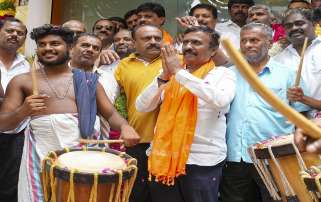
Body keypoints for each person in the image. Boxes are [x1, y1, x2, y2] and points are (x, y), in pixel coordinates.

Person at [0, 24, 139, 202]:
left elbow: (110, 114)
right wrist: (23, 112)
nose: (47, 48)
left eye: (54, 43)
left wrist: (125, 127)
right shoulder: (23, 81)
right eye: (42, 44)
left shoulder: (88, 81)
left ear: (70, 48)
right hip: (39, 163)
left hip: (84, 161)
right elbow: (3, 123)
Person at [136, 25, 236, 202]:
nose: (188, 46)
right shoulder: (171, 74)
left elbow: (220, 99)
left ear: (213, 50)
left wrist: (179, 73)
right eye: (186, 42)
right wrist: (163, 78)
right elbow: (142, 106)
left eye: (196, 42)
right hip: (164, 159)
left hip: (202, 161)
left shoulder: (223, 74)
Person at [220, 22, 309, 202]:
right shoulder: (228, 74)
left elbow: (302, 116)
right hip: (236, 156)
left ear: (269, 43)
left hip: (275, 157)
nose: (247, 45)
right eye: (244, 41)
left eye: (254, 40)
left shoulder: (288, 75)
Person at [114, 24, 163, 202]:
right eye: (147, 38)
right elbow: (111, 102)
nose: (153, 42)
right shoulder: (122, 66)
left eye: (157, 38)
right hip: (137, 140)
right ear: (134, 43)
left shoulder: (177, 60)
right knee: (137, 195)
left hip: (168, 144)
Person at [274, 9, 321, 116]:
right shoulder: (279, 60)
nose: (294, 28)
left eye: (299, 23)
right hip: (296, 123)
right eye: (288, 26)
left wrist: (304, 99)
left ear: (313, 23)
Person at [0, 17, 28, 202]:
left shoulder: (29, 65)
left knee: (9, 185)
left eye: (20, 33)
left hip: (15, 133)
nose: (14, 35)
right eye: (10, 31)